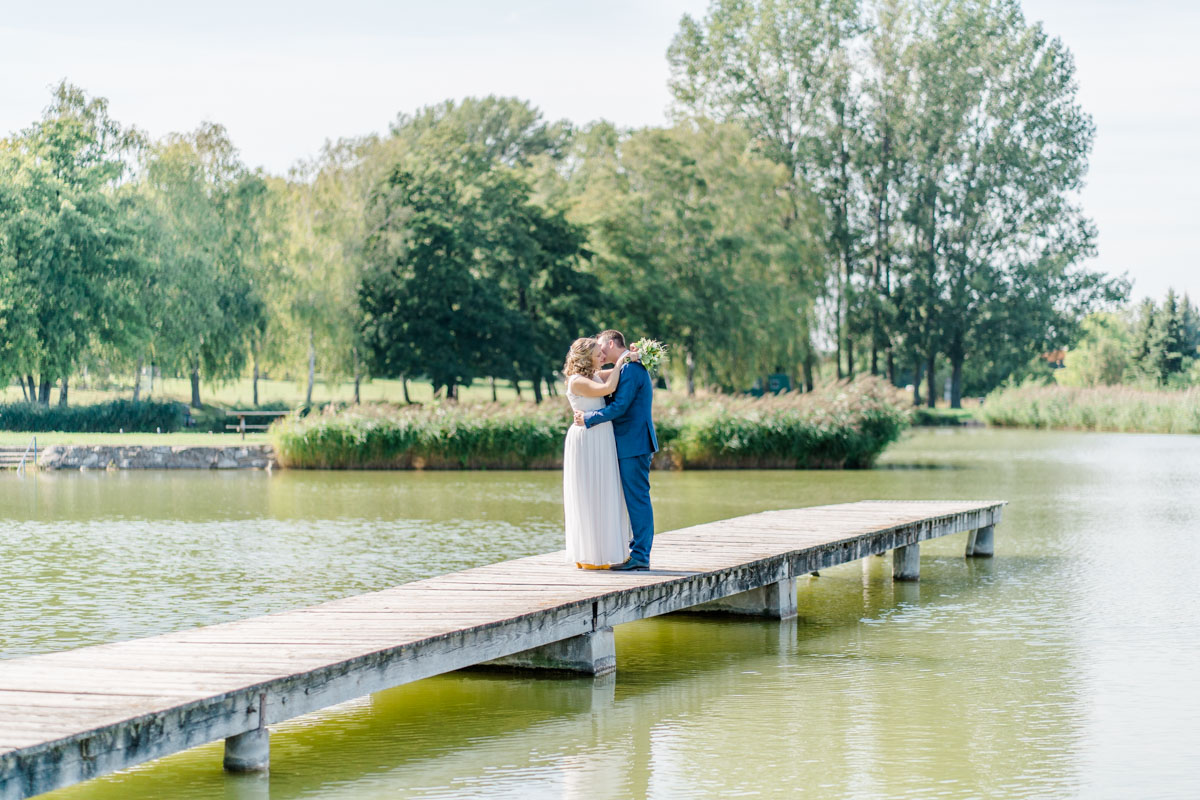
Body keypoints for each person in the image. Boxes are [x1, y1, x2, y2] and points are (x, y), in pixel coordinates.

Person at [573, 329, 658, 571]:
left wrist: (588, 417)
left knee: (637, 499)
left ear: (611, 343)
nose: (599, 351)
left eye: (601, 346)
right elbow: (596, 382)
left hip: (634, 443)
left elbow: (620, 407)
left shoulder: (631, 370)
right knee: (630, 499)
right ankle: (632, 551)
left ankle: (640, 555)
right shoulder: (627, 367)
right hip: (628, 442)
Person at [562, 337, 634, 569]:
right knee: (589, 492)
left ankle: (606, 552)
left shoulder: (593, 375)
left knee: (604, 489)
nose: (603, 356)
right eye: (598, 353)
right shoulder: (577, 381)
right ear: (586, 358)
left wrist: (633, 356)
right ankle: (590, 555)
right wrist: (623, 358)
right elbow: (609, 388)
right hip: (587, 439)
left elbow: (615, 371)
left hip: (601, 437)